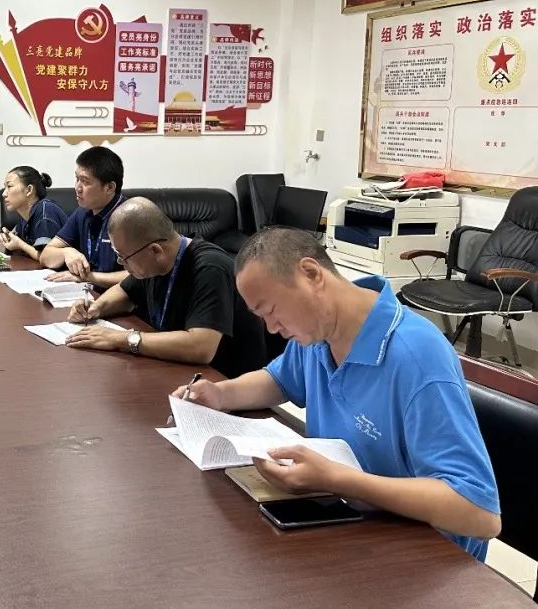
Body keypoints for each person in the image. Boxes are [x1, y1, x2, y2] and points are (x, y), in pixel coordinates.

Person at [176, 227, 500, 560]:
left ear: (311, 274)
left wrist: (337, 479)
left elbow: (480, 513)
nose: (272, 329)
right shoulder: (318, 333)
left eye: (271, 311)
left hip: (427, 554)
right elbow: (279, 380)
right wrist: (220, 394)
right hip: (356, 525)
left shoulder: (416, 357)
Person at [65, 198, 264, 378]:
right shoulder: (154, 264)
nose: (120, 262)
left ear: (155, 250)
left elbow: (201, 346)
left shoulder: (210, 268)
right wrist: (95, 308)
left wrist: (123, 340)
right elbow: (124, 292)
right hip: (179, 370)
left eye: (123, 256)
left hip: (225, 380)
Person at [39, 146, 127, 288]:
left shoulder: (130, 217)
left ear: (110, 188)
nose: (77, 188)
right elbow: (45, 256)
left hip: (120, 298)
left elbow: (141, 275)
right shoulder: (83, 212)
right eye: (77, 179)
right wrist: (66, 252)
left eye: (85, 181)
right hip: (86, 293)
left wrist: (89, 277)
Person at [0, 166, 67, 262]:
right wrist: (6, 238)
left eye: (9, 186)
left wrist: (20, 245)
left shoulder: (45, 211)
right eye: (5, 187)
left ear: (29, 190)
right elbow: (13, 239)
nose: (4, 194)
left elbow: (48, 258)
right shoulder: (24, 217)